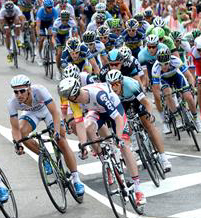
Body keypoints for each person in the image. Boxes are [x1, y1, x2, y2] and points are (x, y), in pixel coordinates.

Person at [58, 77, 146, 206]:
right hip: (97, 110)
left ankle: (138, 190)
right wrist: (83, 144)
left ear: (75, 94)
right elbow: (80, 124)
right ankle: (104, 156)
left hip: (114, 109)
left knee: (124, 146)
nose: (67, 100)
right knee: (88, 127)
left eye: (68, 97)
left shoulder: (99, 95)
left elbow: (118, 118)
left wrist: (119, 137)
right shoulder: (74, 101)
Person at [8, 75, 85, 197]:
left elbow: (55, 113)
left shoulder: (39, 91)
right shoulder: (12, 102)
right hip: (31, 113)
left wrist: (56, 132)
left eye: (22, 91)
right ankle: (44, 157)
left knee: (61, 141)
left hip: (47, 111)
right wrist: (17, 143)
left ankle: (76, 179)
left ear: (29, 89)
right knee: (22, 134)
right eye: (16, 92)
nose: (19, 95)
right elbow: (15, 128)